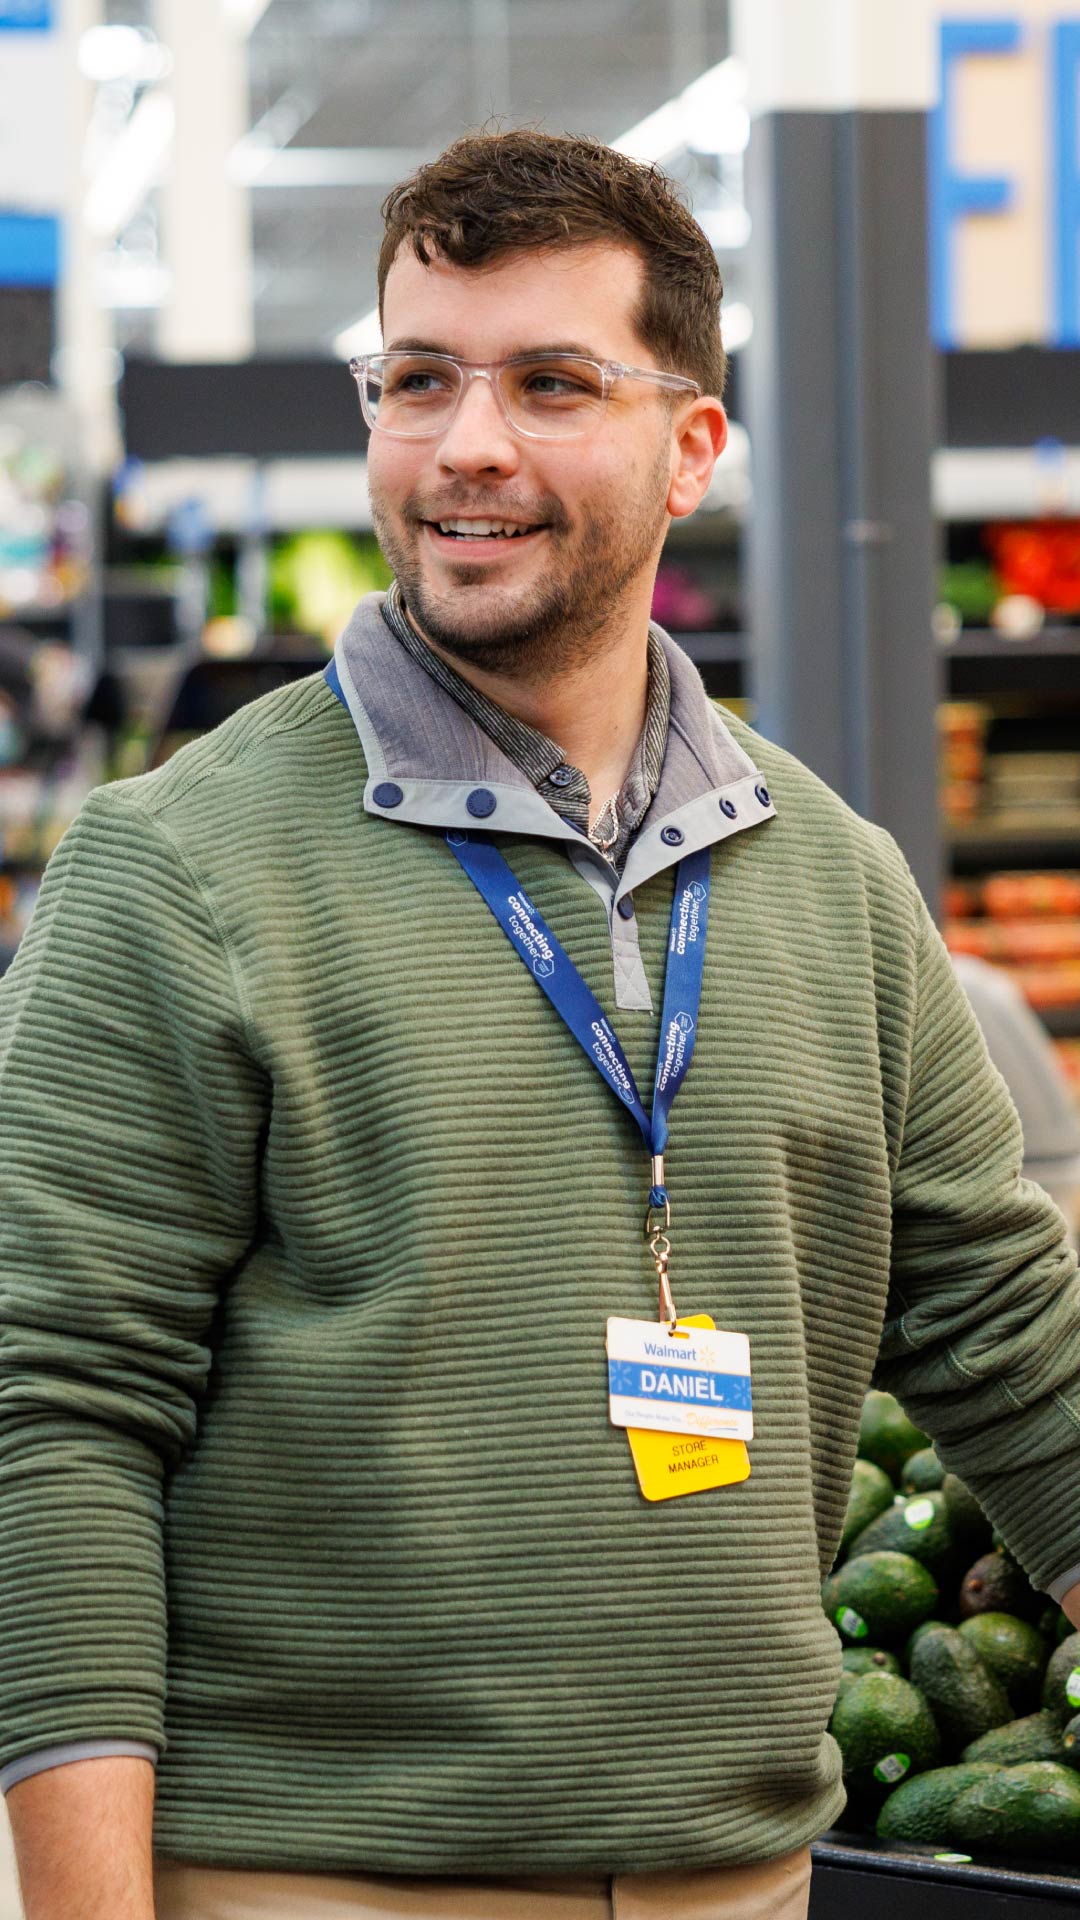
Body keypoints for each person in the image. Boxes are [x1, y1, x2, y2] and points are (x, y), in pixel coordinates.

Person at [1, 129, 1079, 1920]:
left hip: (739, 1878)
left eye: (551, 383)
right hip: (315, 1879)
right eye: (417, 379)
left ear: (692, 448)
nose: (466, 445)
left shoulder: (837, 882)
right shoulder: (174, 869)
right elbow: (54, 1418)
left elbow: (1004, 1332)